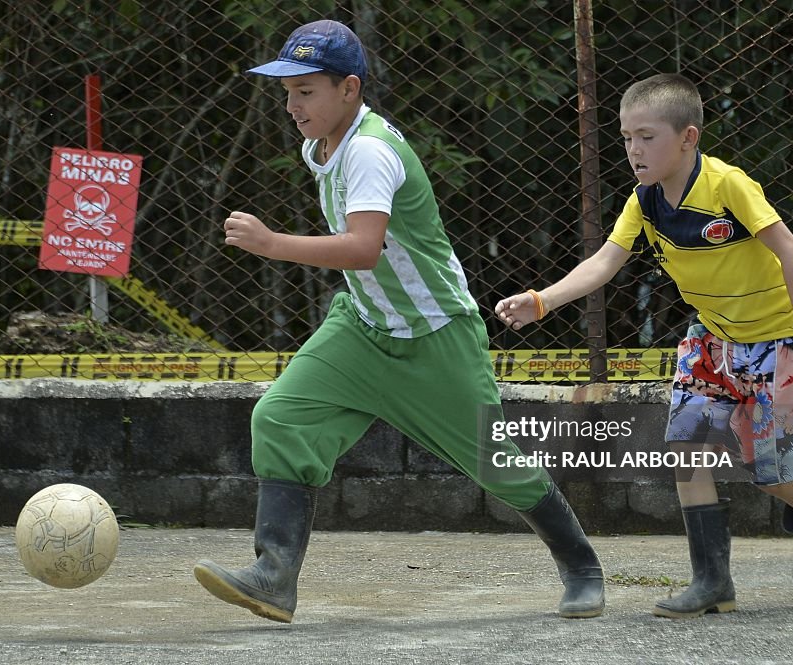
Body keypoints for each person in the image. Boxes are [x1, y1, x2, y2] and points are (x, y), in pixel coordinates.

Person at [192, 19, 605, 624]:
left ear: (350, 90)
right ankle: (274, 577)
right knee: (280, 417)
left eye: (306, 91)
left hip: (435, 335)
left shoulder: (368, 151)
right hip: (363, 326)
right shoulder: (322, 145)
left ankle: (582, 567)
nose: (292, 105)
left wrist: (273, 243)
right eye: (288, 92)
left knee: (499, 463)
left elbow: (362, 248)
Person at [495, 73, 793, 619]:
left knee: (778, 477)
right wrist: (542, 300)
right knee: (684, 448)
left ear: (688, 137)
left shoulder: (727, 186)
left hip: (781, 341)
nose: (633, 149)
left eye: (646, 136)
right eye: (626, 137)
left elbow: (791, 251)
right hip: (711, 340)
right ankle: (711, 582)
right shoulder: (644, 201)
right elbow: (604, 261)